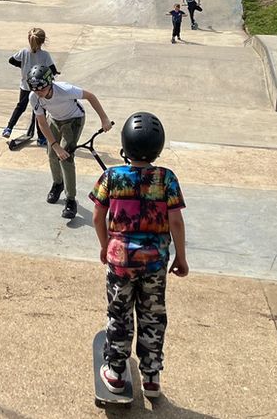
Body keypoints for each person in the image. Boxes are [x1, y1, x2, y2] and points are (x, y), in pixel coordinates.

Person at [91, 111, 188, 399]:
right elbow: (176, 222)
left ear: (124, 145)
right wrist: (180, 257)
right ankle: (151, 377)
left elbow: (98, 217)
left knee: (119, 314)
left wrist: (105, 245)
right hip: (155, 262)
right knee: (153, 316)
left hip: (120, 261)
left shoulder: (112, 176)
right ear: (158, 148)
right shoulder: (166, 178)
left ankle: (117, 373)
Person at [27, 64, 112, 219]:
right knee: (52, 154)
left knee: (65, 157)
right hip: (53, 120)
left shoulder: (65, 89)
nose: (38, 92)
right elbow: (42, 122)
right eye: (35, 89)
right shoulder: (34, 97)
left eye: (41, 88)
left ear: (50, 83)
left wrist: (104, 118)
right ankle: (58, 184)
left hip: (73, 119)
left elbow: (90, 96)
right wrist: (54, 145)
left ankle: (71, 199)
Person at [2, 29, 58, 144]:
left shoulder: (23, 52)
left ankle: (9, 128)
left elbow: (11, 60)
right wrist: (55, 73)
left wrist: (22, 66)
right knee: (39, 112)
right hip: (39, 89)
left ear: (29, 40)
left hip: (26, 86)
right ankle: (41, 138)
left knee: (20, 107)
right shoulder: (45, 55)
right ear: (42, 42)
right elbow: (52, 70)